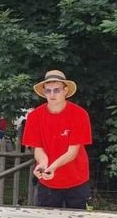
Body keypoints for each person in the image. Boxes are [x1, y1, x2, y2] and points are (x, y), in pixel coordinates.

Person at [21, 69, 92, 209]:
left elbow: (73, 152)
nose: (52, 95)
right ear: (43, 92)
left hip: (77, 180)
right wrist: (42, 164)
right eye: (48, 91)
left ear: (65, 90)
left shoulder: (79, 114)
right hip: (48, 183)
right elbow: (38, 149)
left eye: (57, 90)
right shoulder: (34, 116)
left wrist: (52, 167)